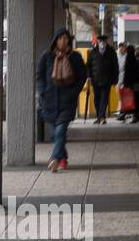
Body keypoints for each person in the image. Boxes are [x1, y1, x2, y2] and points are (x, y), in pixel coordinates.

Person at [37, 29, 86, 173]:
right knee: (56, 134)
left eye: (66, 38)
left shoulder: (75, 57)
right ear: (55, 40)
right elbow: (39, 75)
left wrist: (73, 92)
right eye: (60, 38)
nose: (63, 41)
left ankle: (55, 159)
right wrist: (42, 91)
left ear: (69, 41)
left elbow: (82, 76)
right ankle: (63, 156)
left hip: (67, 101)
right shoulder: (46, 56)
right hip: (49, 101)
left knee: (60, 131)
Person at [87, 33, 118, 124]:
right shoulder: (93, 52)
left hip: (107, 79)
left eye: (103, 41)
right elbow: (88, 65)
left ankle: (102, 117)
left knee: (104, 98)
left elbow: (115, 66)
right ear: (98, 42)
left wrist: (115, 79)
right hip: (95, 80)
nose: (102, 43)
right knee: (97, 99)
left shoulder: (111, 51)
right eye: (100, 41)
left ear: (106, 42)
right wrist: (89, 76)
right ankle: (99, 117)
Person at [121, 43, 139, 124]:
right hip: (137, 82)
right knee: (138, 100)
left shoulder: (128, 58)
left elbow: (127, 73)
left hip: (131, 83)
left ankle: (135, 117)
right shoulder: (135, 59)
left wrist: (125, 83)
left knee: (133, 101)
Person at [114, 42, 129, 121]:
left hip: (124, 78)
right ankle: (121, 111)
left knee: (123, 95)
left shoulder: (126, 55)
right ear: (119, 47)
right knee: (119, 95)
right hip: (117, 78)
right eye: (122, 48)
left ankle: (122, 112)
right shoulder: (115, 55)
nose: (123, 50)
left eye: (124, 48)